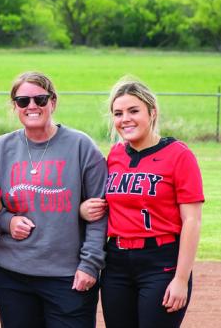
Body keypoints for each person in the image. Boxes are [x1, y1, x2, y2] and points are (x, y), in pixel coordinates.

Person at [0, 71, 109, 328]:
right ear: (14, 106)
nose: (32, 106)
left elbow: (100, 210)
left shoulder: (81, 146)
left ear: (53, 102)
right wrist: (5, 221)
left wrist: (90, 265)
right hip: (12, 277)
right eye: (23, 101)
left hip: (67, 277)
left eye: (40, 99)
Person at [81, 77, 204, 327]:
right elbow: (104, 203)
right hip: (116, 262)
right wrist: (84, 209)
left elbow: (192, 220)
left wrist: (181, 279)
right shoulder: (115, 155)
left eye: (133, 111)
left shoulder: (179, 155)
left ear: (152, 112)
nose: (125, 118)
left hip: (161, 262)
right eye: (118, 113)